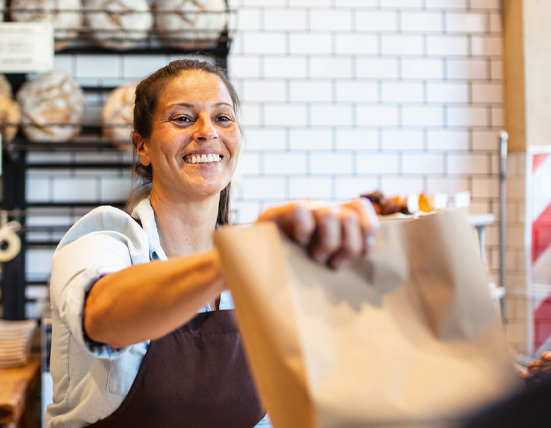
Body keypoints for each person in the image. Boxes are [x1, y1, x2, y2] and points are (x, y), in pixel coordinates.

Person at [45, 59, 379, 428]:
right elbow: (102, 315)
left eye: (222, 118)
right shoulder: (103, 240)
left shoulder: (262, 268)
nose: (207, 132)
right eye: (183, 119)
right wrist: (235, 259)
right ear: (142, 147)